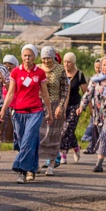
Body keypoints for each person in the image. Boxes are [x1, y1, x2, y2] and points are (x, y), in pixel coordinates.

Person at [0, 45, 53, 184]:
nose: (27, 58)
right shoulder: (16, 72)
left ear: (34, 57)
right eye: (25, 55)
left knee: (28, 140)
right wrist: (3, 109)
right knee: (24, 142)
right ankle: (32, 168)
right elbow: (10, 93)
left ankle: (21, 170)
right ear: (21, 56)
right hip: (18, 112)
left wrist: (50, 112)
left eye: (30, 56)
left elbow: (45, 94)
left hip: (35, 111)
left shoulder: (39, 73)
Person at [39, 46, 69, 175]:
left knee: (53, 135)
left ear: (53, 57)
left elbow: (65, 91)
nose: (46, 61)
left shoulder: (60, 70)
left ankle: (51, 163)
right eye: (44, 58)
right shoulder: (38, 69)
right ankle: (36, 163)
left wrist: (60, 106)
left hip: (55, 104)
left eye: (49, 58)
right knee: (39, 135)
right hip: (39, 105)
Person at [59, 52, 88, 164]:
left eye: (69, 62)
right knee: (68, 130)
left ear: (73, 62)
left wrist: (87, 107)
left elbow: (86, 92)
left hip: (75, 106)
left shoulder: (79, 75)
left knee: (66, 129)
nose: (66, 64)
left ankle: (63, 154)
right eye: (65, 62)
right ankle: (75, 147)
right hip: (62, 106)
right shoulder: (61, 73)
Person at [81, 58, 103, 151]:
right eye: (96, 67)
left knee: (102, 129)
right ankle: (91, 146)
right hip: (96, 107)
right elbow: (88, 93)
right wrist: (83, 105)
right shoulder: (93, 79)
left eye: (100, 67)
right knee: (94, 126)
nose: (98, 69)